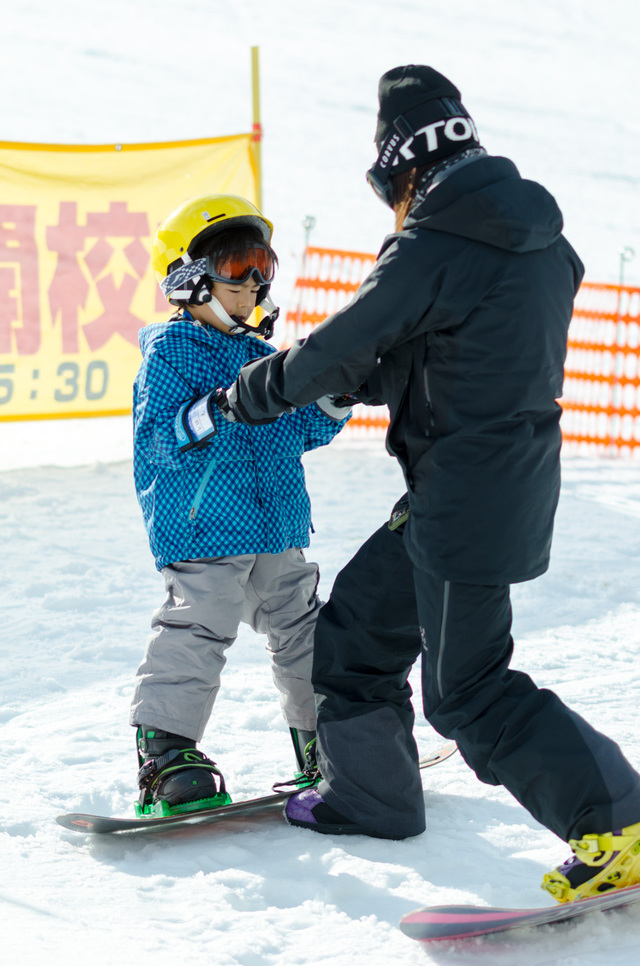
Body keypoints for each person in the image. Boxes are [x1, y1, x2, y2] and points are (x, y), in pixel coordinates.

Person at [213, 67, 640, 902]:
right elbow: (464, 349)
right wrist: (378, 382)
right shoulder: (542, 242)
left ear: (403, 166)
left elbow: (346, 342)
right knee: (359, 629)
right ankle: (372, 795)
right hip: (486, 483)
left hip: (466, 495)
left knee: (469, 691)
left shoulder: (433, 240)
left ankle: (616, 819)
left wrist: (247, 394)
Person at [130, 193, 351, 818]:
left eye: (263, 266)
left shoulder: (262, 356)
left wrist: (337, 397)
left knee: (305, 628)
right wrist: (225, 404)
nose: (253, 283)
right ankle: (166, 755)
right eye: (236, 267)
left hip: (277, 524)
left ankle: (326, 744)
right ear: (190, 278)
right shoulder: (172, 351)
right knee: (200, 623)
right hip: (205, 528)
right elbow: (160, 438)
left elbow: (297, 432)